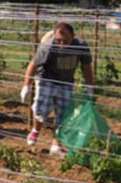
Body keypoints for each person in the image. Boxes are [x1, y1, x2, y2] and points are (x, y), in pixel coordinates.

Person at [21, 22, 94, 156]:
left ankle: (56, 143)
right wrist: (26, 85)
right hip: (46, 79)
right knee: (41, 109)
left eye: (65, 41)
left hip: (66, 82)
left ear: (73, 36)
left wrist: (90, 86)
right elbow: (33, 65)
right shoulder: (48, 47)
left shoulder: (81, 46)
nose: (61, 44)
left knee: (63, 114)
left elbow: (87, 67)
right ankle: (35, 131)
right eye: (58, 40)